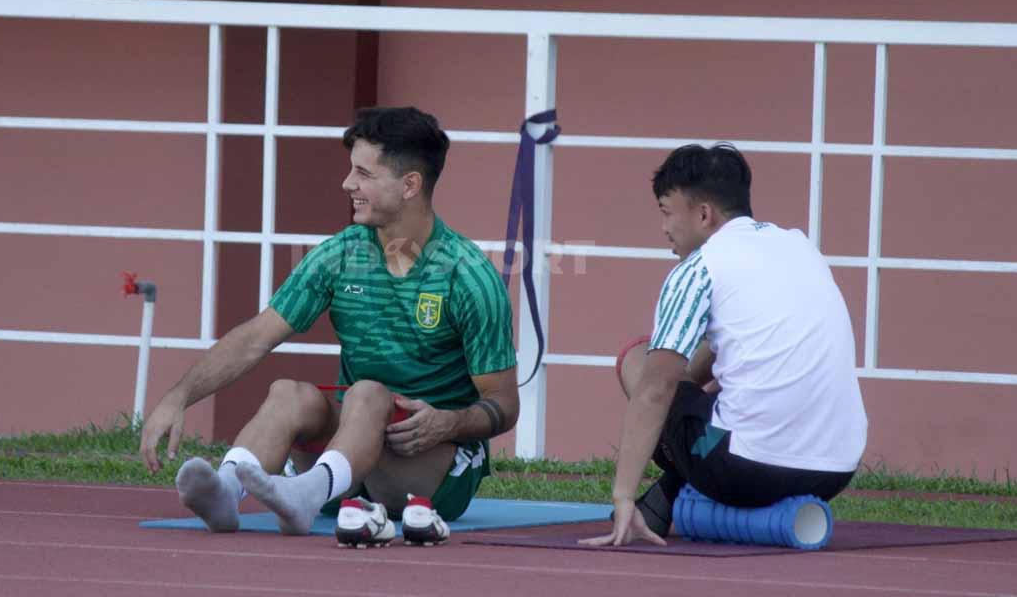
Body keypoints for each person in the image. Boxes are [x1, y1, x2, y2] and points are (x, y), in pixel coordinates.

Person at [139, 106, 518, 546]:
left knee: (367, 393)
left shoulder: (468, 274)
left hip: (430, 466)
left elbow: (504, 404)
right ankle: (227, 491)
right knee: (289, 392)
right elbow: (255, 338)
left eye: (364, 173)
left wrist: (447, 423)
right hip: (350, 458)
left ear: (410, 185)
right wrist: (178, 397)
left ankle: (307, 493)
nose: (347, 184)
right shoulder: (338, 254)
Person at [581, 143, 867, 547]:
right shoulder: (800, 246)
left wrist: (623, 496)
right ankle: (679, 477)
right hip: (835, 471)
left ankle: (672, 480)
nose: (663, 228)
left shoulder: (699, 268)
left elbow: (655, 390)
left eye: (666, 212)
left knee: (638, 358)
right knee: (711, 382)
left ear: (703, 215)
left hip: (744, 470)